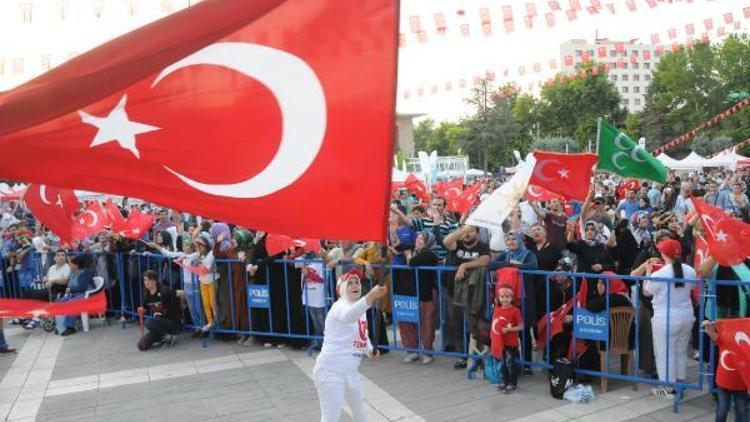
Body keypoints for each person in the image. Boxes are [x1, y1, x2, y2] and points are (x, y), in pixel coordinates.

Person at [313, 269, 387, 422]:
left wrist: (370, 350)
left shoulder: (360, 309)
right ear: (341, 289)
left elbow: (362, 336)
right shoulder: (339, 306)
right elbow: (348, 316)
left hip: (350, 371)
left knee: (361, 414)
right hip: (331, 370)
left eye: (357, 282)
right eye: (350, 283)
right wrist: (371, 296)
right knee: (331, 417)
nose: (355, 286)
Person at [643, 239, 696, 398]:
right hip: (686, 315)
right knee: (680, 351)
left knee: (664, 352)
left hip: (665, 317)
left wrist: (648, 271)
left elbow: (647, 291)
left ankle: (668, 387)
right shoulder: (689, 270)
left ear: (664, 254)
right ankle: (679, 382)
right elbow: (692, 287)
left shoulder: (661, 273)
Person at [443, 224, 490, 369]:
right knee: (457, 324)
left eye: (471, 231)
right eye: (465, 231)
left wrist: (464, 266)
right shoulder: (457, 244)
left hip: (473, 292)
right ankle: (462, 356)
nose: (467, 234)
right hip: (454, 290)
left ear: (477, 232)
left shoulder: (482, 246)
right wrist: (461, 231)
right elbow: (446, 241)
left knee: (475, 325)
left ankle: (478, 356)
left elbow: (485, 261)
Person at [492, 232, 538, 375]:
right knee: (508, 330)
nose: (511, 242)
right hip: (507, 299)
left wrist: (515, 267)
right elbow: (491, 265)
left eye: (514, 239)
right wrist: (511, 264)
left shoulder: (528, 254)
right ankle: (513, 362)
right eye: (508, 239)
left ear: (520, 241)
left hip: (524, 297)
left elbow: (532, 266)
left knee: (524, 331)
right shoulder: (505, 255)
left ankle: (527, 363)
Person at [402, 230, 439, 364]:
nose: (417, 241)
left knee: (427, 323)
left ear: (427, 242)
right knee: (411, 320)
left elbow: (411, 263)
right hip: (415, 292)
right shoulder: (417, 252)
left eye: (421, 240)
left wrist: (408, 256)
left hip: (427, 293)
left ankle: (428, 352)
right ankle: (413, 351)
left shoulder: (429, 253)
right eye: (417, 239)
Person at [703, 321, 750, 422]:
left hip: (740, 384)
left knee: (741, 410)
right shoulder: (725, 338)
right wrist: (709, 326)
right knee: (723, 409)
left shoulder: (745, 344)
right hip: (724, 383)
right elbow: (714, 336)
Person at [137, 270, 182, 351]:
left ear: (155, 281)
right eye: (145, 280)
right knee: (141, 345)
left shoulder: (163, 290)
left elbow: (180, 293)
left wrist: (183, 304)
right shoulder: (147, 295)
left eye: (149, 280)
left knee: (149, 321)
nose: (147, 282)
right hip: (158, 325)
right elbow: (144, 308)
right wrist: (141, 310)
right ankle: (162, 336)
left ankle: (170, 335)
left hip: (171, 322)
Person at [492, 285, 523, 394]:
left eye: (507, 296)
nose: (505, 299)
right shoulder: (497, 309)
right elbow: (494, 325)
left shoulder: (515, 311)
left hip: (511, 342)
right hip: (501, 342)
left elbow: (521, 326)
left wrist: (509, 330)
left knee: (510, 363)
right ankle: (505, 381)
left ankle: (512, 383)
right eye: (502, 296)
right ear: (499, 298)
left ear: (512, 298)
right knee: (503, 362)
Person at [55, 254, 95, 336]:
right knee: (59, 302)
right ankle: (60, 326)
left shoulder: (85, 272)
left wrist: (70, 290)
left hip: (85, 295)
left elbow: (82, 288)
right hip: (75, 294)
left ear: (76, 265)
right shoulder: (73, 273)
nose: (69, 265)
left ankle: (70, 327)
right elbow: (70, 285)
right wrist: (69, 290)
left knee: (71, 304)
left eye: (70, 264)